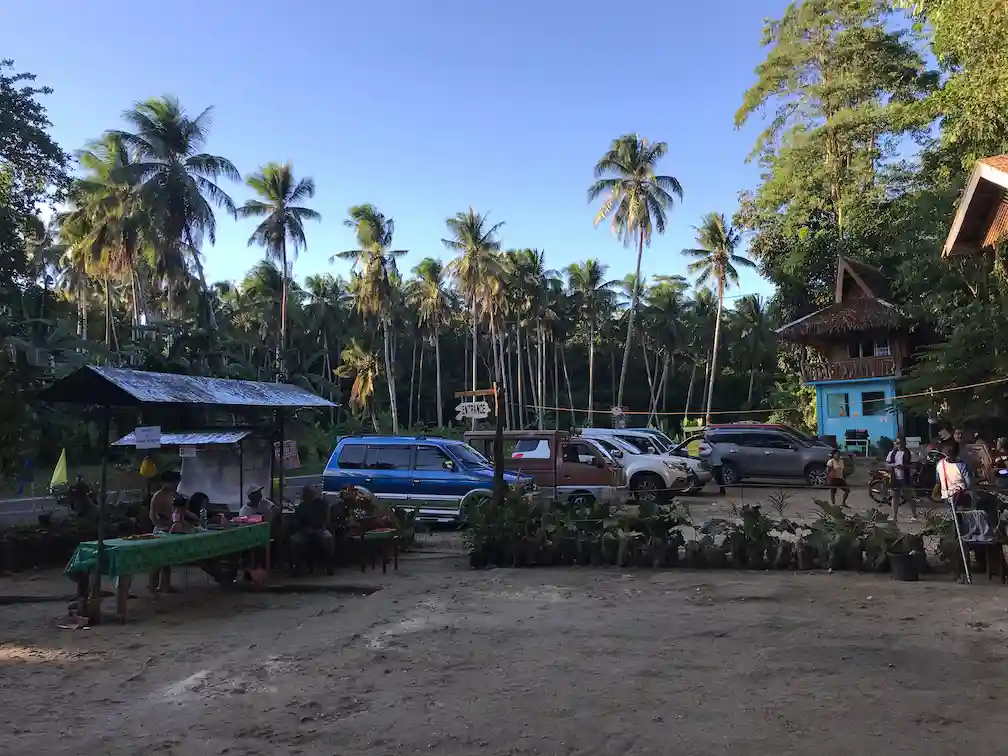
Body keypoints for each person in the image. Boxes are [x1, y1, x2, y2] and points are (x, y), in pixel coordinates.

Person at [289, 485, 335, 574]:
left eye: (308, 493)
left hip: (320, 529)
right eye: (305, 493)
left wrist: (323, 528)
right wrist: (303, 529)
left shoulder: (321, 503)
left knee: (329, 538)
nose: (307, 495)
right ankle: (298, 567)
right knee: (292, 541)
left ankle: (330, 566)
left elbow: (327, 516)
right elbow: (297, 521)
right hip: (305, 531)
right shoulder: (301, 507)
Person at [148, 470, 181, 592]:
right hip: (160, 531)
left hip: (171, 529)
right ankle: (152, 586)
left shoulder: (173, 495)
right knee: (156, 562)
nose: (176, 485)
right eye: (174, 482)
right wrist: (160, 527)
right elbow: (152, 515)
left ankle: (165, 585)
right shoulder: (158, 495)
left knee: (167, 560)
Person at [886, 437, 914, 523]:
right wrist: (894, 465)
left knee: (908, 496)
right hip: (895, 478)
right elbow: (887, 464)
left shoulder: (909, 453)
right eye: (897, 443)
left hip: (905, 478)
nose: (899, 445)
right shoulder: (892, 453)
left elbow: (914, 465)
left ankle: (914, 514)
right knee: (895, 497)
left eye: (901, 443)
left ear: (905, 443)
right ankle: (894, 516)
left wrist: (904, 467)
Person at [937, 442, 972, 508]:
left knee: (952, 515)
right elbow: (969, 483)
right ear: (957, 452)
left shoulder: (940, 464)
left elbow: (938, 480)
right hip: (960, 496)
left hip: (946, 496)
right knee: (964, 515)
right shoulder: (962, 465)